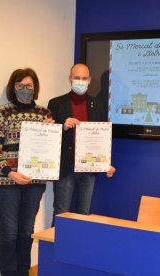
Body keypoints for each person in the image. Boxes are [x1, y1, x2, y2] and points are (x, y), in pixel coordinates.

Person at [0, 68, 53, 276]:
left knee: (26, 233)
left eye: (29, 86)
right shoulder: (2, 112)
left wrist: (48, 132)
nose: (25, 89)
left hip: (34, 183)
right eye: (20, 86)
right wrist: (10, 172)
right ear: (13, 88)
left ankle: (23, 273)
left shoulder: (44, 114)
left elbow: (49, 149)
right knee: (9, 233)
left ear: (35, 88)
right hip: (6, 183)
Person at [48, 63, 116, 225]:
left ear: (90, 80)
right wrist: (62, 126)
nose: (80, 81)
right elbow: (47, 138)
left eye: (84, 78)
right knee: (60, 214)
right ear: (70, 79)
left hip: (88, 169)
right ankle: (55, 250)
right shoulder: (55, 104)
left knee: (83, 216)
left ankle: (76, 250)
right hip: (65, 168)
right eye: (77, 78)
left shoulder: (98, 105)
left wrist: (105, 163)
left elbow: (101, 138)